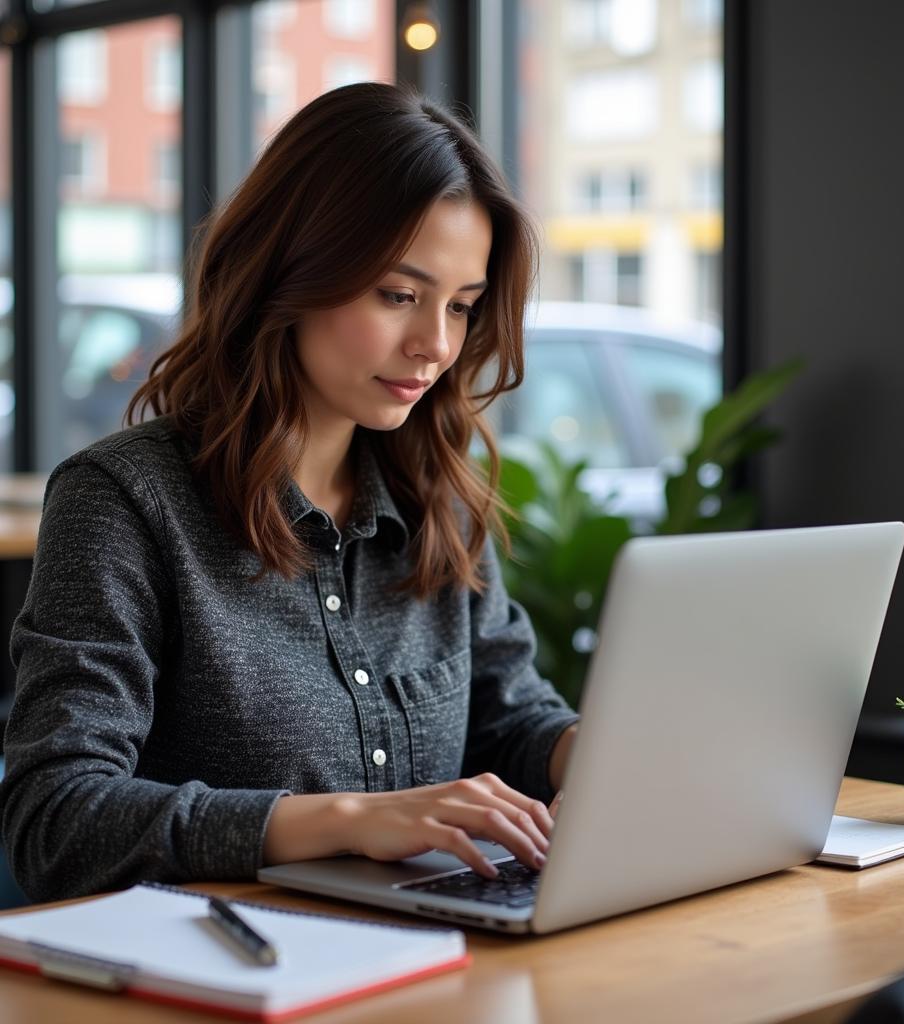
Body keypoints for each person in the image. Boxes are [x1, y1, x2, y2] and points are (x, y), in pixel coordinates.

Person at [0, 83, 580, 904]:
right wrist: (342, 819)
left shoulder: (437, 503)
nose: (436, 345)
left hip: (440, 963)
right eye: (398, 295)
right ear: (291, 270)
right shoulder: (125, 503)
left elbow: (510, 717)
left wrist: (596, 755)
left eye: (461, 306)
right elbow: (54, 821)